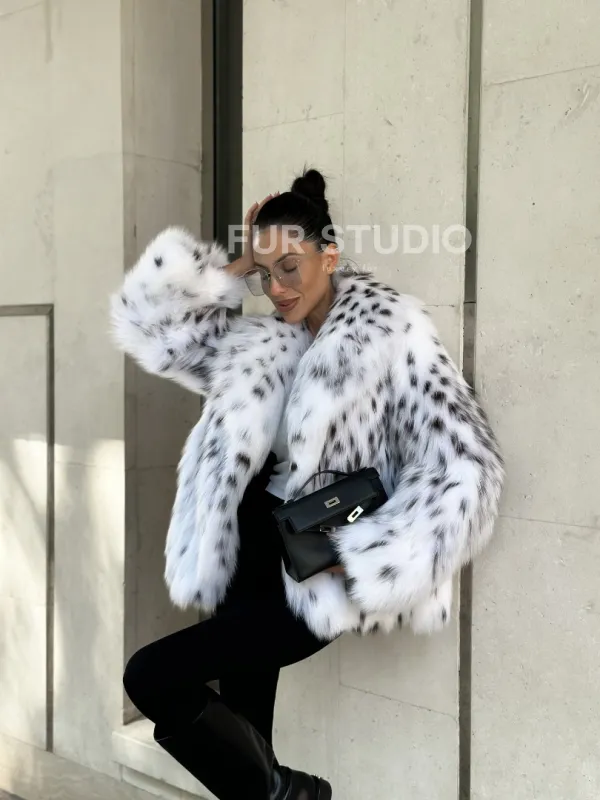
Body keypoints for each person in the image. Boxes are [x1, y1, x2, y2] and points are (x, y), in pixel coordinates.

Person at [112, 168, 504, 799]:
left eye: (290, 268)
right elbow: (152, 329)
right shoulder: (265, 340)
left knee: (151, 676)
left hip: (314, 567)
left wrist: (375, 552)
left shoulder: (390, 333)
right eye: (266, 276)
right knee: (248, 748)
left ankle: (296, 794)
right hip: (247, 554)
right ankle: (284, 793)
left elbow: (465, 465)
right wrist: (244, 261)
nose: (277, 288)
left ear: (330, 257)